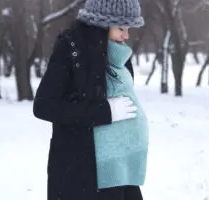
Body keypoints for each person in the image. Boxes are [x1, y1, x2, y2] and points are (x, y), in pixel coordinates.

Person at [32, 0, 149, 199]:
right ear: (102, 25)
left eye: (129, 28)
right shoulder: (70, 49)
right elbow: (44, 106)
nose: (126, 35)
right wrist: (105, 112)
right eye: (121, 28)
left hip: (119, 172)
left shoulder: (119, 56)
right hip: (79, 173)